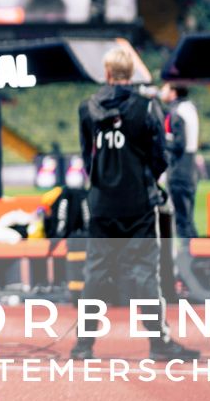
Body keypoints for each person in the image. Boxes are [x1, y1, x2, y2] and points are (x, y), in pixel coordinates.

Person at [74, 49, 196, 363]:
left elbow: (88, 159)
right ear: (132, 73)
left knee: (96, 274)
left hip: (102, 204)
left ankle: (83, 345)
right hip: (139, 204)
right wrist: (146, 181)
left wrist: (103, 181)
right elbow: (160, 156)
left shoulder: (87, 108)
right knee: (145, 274)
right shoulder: (146, 107)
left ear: (107, 72)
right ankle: (159, 343)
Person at [159, 83, 202, 240]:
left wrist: (160, 141)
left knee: (182, 222)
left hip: (179, 170)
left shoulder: (177, 111)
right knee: (187, 220)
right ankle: (195, 258)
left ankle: (188, 261)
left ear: (173, 92)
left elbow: (178, 143)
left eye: (164, 88)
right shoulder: (189, 108)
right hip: (189, 168)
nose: (160, 91)